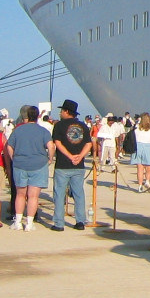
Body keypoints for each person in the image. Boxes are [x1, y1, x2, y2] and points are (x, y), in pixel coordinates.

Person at [6, 106, 55, 231]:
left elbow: (9, 146)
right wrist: (50, 159)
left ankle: (17, 221)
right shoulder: (43, 131)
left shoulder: (18, 130)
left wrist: (13, 158)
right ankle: (29, 223)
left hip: (20, 164)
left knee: (20, 195)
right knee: (33, 196)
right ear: (37, 116)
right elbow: (50, 146)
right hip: (38, 164)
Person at [51, 99, 92, 231]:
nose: (60, 113)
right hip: (78, 165)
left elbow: (57, 143)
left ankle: (59, 223)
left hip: (63, 164)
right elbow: (88, 143)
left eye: (62, 110)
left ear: (66, 111)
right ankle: (80, 221)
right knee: (78, 193)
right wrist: (80, 156)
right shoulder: (83, 126)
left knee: (59, 193)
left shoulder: (59, 126)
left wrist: (69, 156)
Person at [132, 113, 150, 191]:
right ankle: (147, 181)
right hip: (148, 146)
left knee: (140, 168)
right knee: (149, 166)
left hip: (138, 146)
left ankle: (140, 185)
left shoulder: (136, 127)